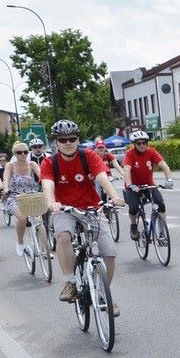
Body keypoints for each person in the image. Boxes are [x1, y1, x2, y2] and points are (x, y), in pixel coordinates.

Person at [40, 119, 125, 311]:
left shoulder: (89, 156)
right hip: (64, 209)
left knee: (109, 253)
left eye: (72, 138)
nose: (68, 142)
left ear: (78, 139)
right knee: (63, 236)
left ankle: (105, 294)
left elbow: (102, 177)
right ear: (56, 142)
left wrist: (114, 196)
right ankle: (70, 282)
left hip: (91, 208)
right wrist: (51, 201)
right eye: (62, 140)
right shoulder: (49, 162)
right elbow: (47, 184)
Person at [121, 130, 172, 242]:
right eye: (139, 143)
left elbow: (164, 165)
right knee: (133, 207)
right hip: (133, 187)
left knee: (160, 204)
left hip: (149, 185)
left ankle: (162, 231)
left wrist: (169, 180)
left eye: (144, 143)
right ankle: (134, 226)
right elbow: (126, 169)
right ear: (134, 144)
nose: (142, 145)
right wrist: (130, 185)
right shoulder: (130, 153)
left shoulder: (151, 152)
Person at [0, 142, 42, 256]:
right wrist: (6, 188)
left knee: (40, 221)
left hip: (31, 196)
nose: (23, 155)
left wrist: (47, 185)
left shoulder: (32, 164)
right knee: (22, 218)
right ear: (15, 154)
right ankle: (20, 242)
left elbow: (42, 175)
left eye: (25, 152)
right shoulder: (10, 165)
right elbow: (6, 178)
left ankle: (43, 248)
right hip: (15, 197)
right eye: (19, 152)